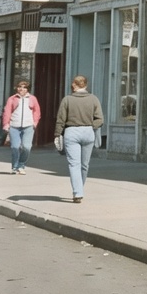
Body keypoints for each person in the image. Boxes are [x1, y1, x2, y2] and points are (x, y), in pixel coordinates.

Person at [54, 75, 104, 204]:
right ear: (86, 85)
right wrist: (91, 127)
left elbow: (61, 119)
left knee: (74, 164)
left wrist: (57, 134)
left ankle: (78, 192)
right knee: (84, 164)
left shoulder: (67, 100)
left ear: (74, 85)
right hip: (88, 132)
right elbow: (100, 119)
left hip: (72, 132)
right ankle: (80, 188)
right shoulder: (94, 99)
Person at [2, 80, 41, 175]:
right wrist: (6, 124)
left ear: (27, 89)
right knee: (15, 147)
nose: (21, 89)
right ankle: (15, 167)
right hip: (14, 126)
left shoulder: (32, 98)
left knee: (27, 147)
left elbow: (37, 111)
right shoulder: (12, 99)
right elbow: (7, 112)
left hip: (28, 126)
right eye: (20, 87)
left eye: (24, 87)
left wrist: (34, 123)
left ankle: (21, 165)